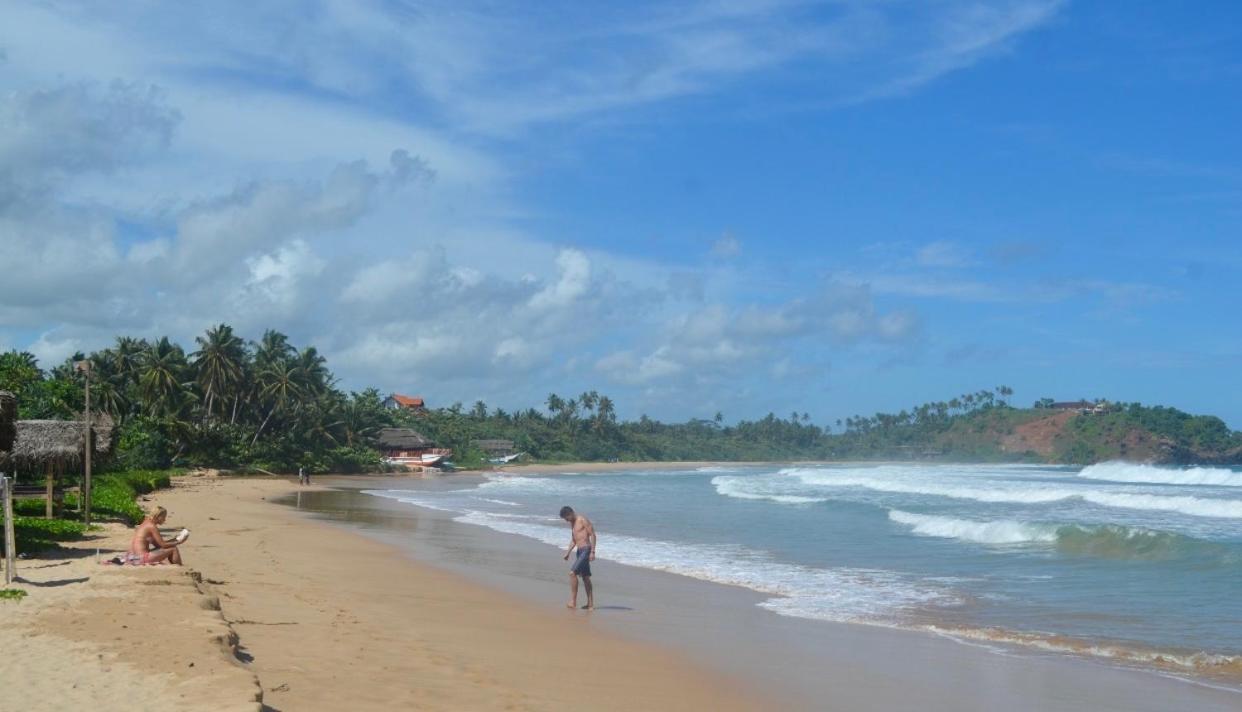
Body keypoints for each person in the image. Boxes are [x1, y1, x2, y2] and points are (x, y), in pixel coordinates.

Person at [560, 505, 596, 610]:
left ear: (570, 513)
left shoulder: (582, 520)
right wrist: (568, 552)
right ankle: (590, 604)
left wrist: (593, 552)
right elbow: (574, 540)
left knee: (572, 573)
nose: (566, 521)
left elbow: (593, 535)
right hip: (580, 551)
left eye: (566, 518)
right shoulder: (572, 523)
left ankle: (573, 601)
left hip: (586, 549)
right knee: (585, 577)